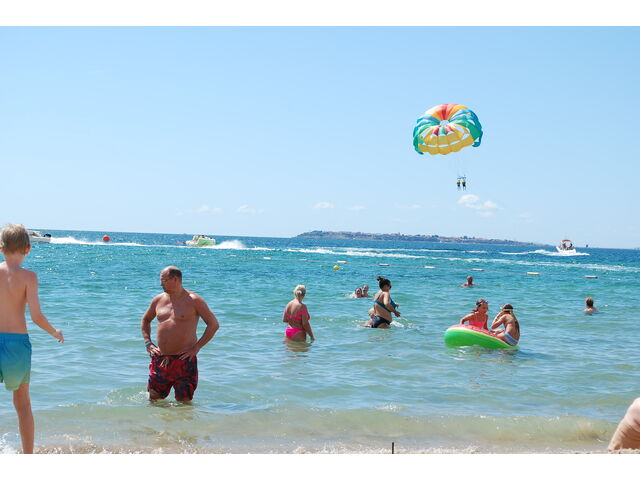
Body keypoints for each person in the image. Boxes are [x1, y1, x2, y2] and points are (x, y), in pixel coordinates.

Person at [0, 224, 64, 454]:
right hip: (17, 344)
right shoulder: (29, 277)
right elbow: (36, 317)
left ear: (0, 247)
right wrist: (54, 332)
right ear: (28, 249)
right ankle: (28, 456)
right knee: (23, 404)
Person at [141, 266, 219, 402]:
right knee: (153, 399)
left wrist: (196, 347)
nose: (161, 284)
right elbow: (145, 320)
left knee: (184, 402)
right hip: (161, 358)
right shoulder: (158, 300)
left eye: (164, 280)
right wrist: (148, 342)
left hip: (184, 360)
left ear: (175, 279)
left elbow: (213, 325)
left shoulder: (194, 300)